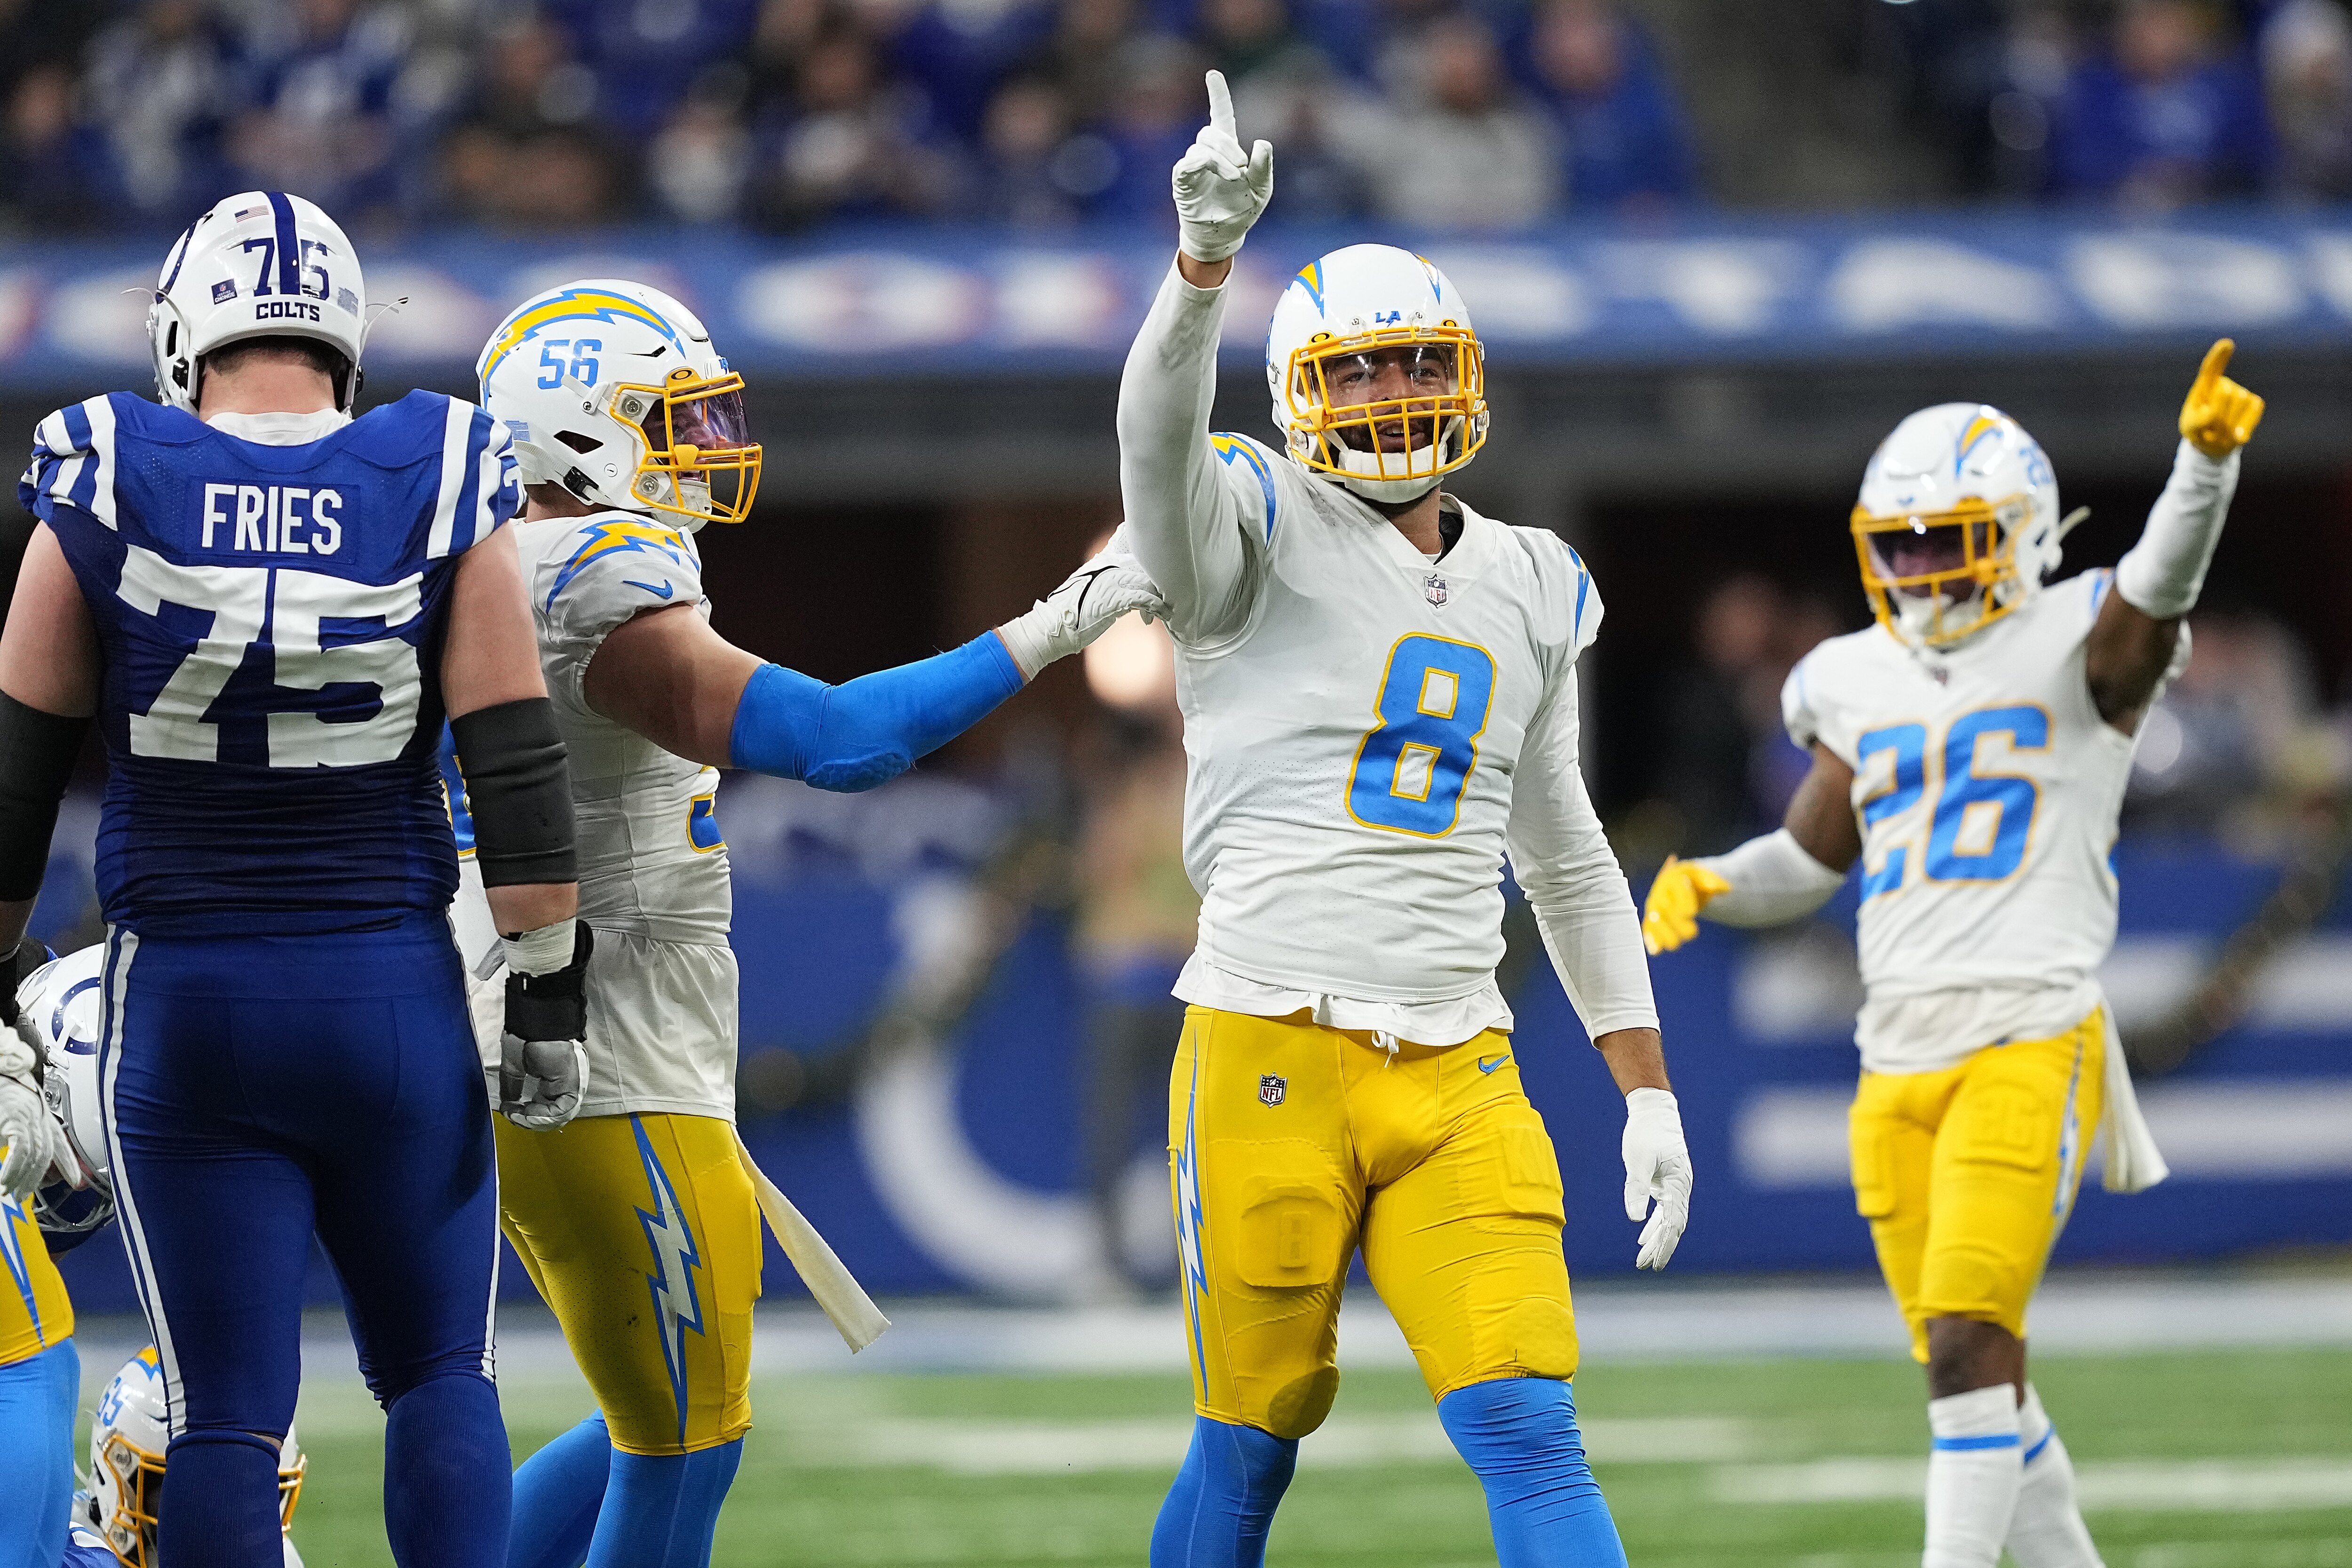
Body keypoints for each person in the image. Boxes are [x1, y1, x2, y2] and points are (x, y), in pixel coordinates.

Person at [461, 278, 1160, 1568]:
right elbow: (841, 742)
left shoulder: (507, 564)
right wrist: (1053, 625)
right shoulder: (585, 576)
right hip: (604, 1054)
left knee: (663, 1411)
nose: (704, 445)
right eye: (668, 419)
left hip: (573, 1036)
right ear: (572, 430)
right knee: (685, 1439)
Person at [1121, 72, 1692, 1568]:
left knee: (1530, 1422)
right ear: (1298, 393)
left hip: (1458, 1063)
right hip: (1269, 1040)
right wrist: (1199, 273)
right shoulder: (1244, 524)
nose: (1389, 394)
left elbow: (1564, 855)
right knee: (1248, 1441)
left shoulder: (1535, 576)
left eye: (1415, 364)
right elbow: (1153, 447)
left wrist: (1644, 1088)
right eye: (1357, 371)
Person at [0, 189, 589, 1568]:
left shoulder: (105, 469)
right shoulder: (437, 466)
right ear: (343, 333)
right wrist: (550, 990)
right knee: (441, 1372)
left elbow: (13, 794)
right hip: (390, 995)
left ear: (184, 334)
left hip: (189, 1005)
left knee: (223, 1416)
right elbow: (514, 761)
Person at [1642, 343, 2265, 1568]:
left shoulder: (2081, 639)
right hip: (1894, 1061)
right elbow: (1811, 856)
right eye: (1904, 543)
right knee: (1977, 1373)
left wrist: (2200, 472)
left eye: (1951, 539)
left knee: (1970, 1347)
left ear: (2024, 535)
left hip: (2028, 1035)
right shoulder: (1853, 677)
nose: (1923, 566)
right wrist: (1719, 879)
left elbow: (2156, 593)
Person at [71, 1345, 309, 1568]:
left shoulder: (284, 1560)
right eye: (193, 1489)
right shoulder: (74, 1555)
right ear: (116, 1463)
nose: (222, 1521)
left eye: (253, 1491)